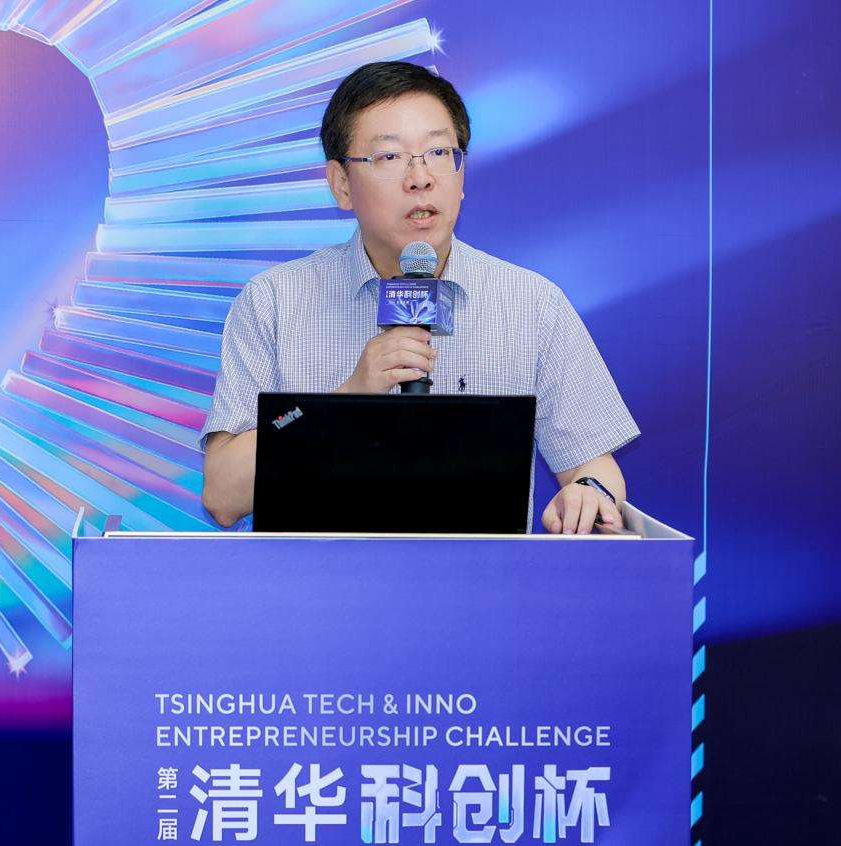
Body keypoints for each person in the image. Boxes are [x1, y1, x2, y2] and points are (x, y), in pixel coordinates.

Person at [199, 61, 638, 534]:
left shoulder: (532, 305)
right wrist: (347, 400)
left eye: (438, 152)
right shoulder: (274, 302)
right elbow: (223, 496)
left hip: (479, 578)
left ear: (461, 174)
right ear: (341, 184)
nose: (420, 177)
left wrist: (588, 490)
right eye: (390, 157)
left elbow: (593, 465)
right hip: (314, 578)